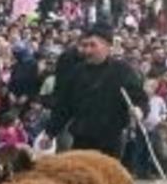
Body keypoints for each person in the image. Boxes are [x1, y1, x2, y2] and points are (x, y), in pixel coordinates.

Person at [41, 24, 147, 158]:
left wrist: (139, 110)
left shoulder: (123, 71)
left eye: (93, 45)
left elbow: (140, 99)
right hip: (81, 138)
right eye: (85, 46)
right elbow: (63, 107)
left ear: (107, 46)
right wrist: (50, 133)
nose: (87, 50)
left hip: (111, 140)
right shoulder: (76, 72)